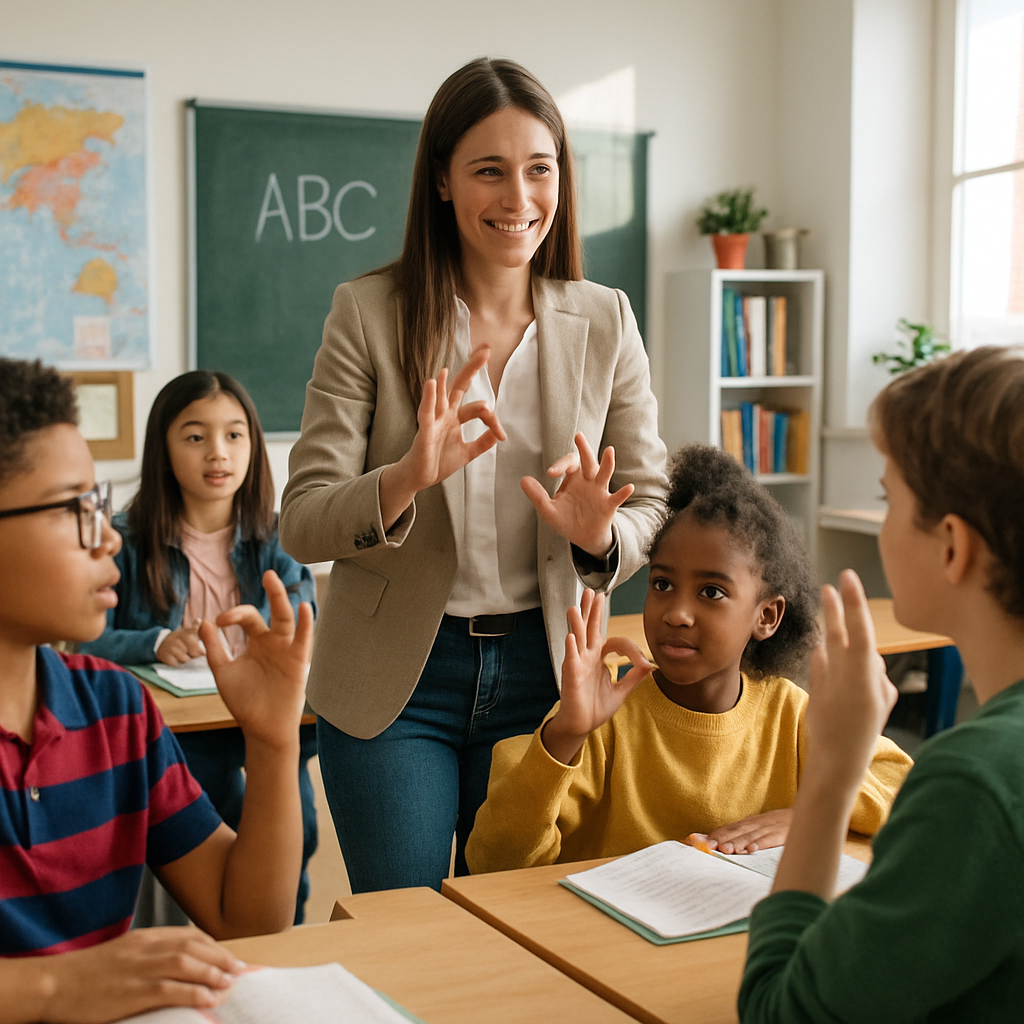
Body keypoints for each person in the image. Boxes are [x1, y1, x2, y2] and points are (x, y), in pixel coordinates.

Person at [279, 57, 668, 892]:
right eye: (489, 170)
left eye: (539, 168)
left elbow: (652, 499)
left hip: (549, 671)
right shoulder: (369, 312)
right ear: (444, 182)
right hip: (399, 680)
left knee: (529, 926)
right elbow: (303, 517)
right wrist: (404, 478)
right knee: (414, 933)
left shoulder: (606, 319)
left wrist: (603, 533)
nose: (518, 198)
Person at [0, 359, 311, 1023]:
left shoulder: (116, 710)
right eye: (74, 509)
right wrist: (54, 988)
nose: (108, 535)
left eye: (100, 504)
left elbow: (244, 916)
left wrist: (273, 738)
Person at [739, 346, 1024, 1021]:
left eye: (887, 496)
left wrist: (832, 769)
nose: (882, 519)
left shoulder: (975, 782)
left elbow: (783, 1012)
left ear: (952, 545)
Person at [466, 444, 912, 873]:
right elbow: (494, 862)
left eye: (712, 592)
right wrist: (564, 734)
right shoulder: (605, 719)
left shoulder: (793, 716)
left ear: (767, 616)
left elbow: (908, 791)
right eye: (661, 584)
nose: (677, 613)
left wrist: (809, 815)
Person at [79, 371, 318, 924]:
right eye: (195, 436)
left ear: (254, 447)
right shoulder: (126, 540)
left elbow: (305, 612)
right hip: (180, 732)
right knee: (208, 816)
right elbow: (87, 640)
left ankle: (285, 931)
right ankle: (216, 921)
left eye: (235, 435)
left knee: (297, 824)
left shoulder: (282, 537)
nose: (218, 452)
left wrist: (263, 634)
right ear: (163, 448)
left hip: (265, 721)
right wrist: (158, 641)